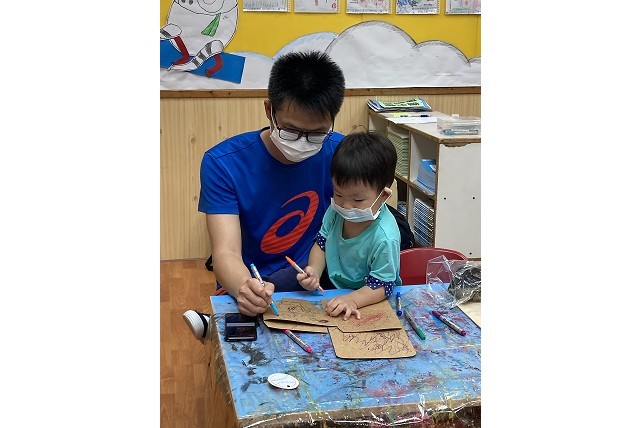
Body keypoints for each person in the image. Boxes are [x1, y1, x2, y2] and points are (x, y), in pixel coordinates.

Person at [183, 51, 345, 339]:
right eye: (291, 131)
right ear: (269, 110)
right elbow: (225, 253)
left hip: (317, 281)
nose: (303, 143)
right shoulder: (224, 163)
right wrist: (244, 287)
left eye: (317, 134)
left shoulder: (340, 152)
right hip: (255, 280)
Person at [296, 131, 401, 320]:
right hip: (334, 289)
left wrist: (353, 300)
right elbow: (321, 245)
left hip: (371, 297)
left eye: (357, 200)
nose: (345, 205)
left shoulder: (385, 237)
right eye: (338, 194)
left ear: (384, 195)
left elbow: (383, 286)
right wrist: (314, 271)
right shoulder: (335, 212)